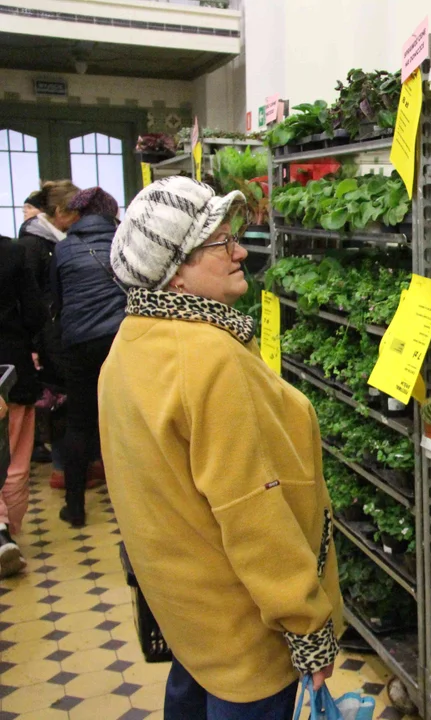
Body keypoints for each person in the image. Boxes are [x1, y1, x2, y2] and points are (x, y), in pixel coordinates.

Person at [99, 176, 342, 719]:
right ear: (175, 270)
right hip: (246, 633)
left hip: (192, 619)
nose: (239, 251)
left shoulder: (131, 342)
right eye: (218, 242)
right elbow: (252, 510)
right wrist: (305, 624)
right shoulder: (209, 359)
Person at [52, 187, 125, 527]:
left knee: (80, 424)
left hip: (79, 343)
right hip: (122, 340)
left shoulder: (64, 248)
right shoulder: (126, 241)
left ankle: (75, 508)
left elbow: (56, 300)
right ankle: (135, 503)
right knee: (127, 420)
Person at [19, 181, 79, 485]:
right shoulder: (35, 244)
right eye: (75, 211)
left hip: (60, 329)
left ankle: (70, 466)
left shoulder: (55, 239)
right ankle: (61, 468)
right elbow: (31, 297)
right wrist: (36, 343)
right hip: (50, 334)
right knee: (59, 399)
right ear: (59, 212)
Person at [0, 231, 48, 577]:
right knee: (15, 456)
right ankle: (9, 531)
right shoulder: (13, 254)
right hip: (10, 364)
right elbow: (34, 313)